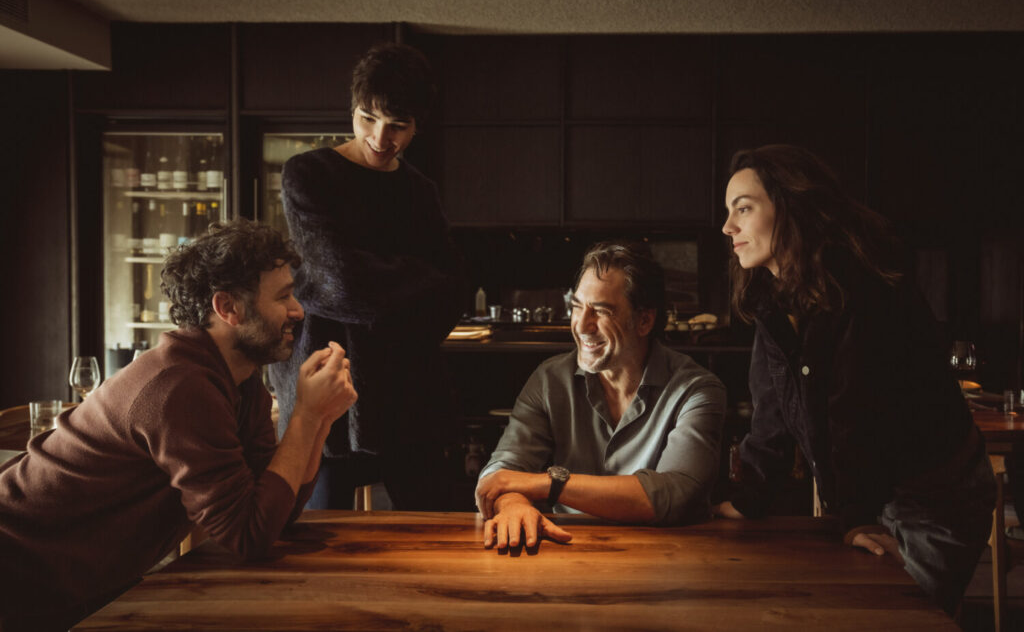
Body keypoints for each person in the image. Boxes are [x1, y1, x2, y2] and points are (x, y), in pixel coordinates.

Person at [0, 220, 357, 631]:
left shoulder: (241, 383)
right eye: (283, 296)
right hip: (18, 579)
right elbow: (248, 536)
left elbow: (277, 511)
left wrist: (321, 420)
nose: (299, 310)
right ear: (228, 308)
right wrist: (306, 417)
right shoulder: (181, 386)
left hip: (76, 585)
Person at [713, 144, 995, 615]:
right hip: (872, 494)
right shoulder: (773, 295)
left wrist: (857, 517)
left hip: (933, 497)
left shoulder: (862, 287)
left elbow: (860, 412)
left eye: (743, 208)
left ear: (792, 207)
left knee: (899, 621)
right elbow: (773, 413)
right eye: (728, 211)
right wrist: (750, 498)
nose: (728, 227)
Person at [268, 42, 463, 510]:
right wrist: (415, 279)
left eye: (398, 126)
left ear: (417, 125)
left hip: (406, 396)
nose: (380, 137)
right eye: (367, 118)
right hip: (326, 382)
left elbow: (450, 295)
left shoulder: (420, 191)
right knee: (311, 542)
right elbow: (342, 282)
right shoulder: (309, 173)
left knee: (436, 538)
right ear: (352, 109)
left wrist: (339, 285)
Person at [475, 241, 726, 550]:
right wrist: (514, 504)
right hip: (569, 551)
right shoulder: (549, 380)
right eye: (577, 307)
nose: (581, 325)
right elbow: (501, 473)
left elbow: (675, 495)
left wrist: (549, 484)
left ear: (644, 320)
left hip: (672, 560)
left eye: (602, 311)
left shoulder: (697, 390)